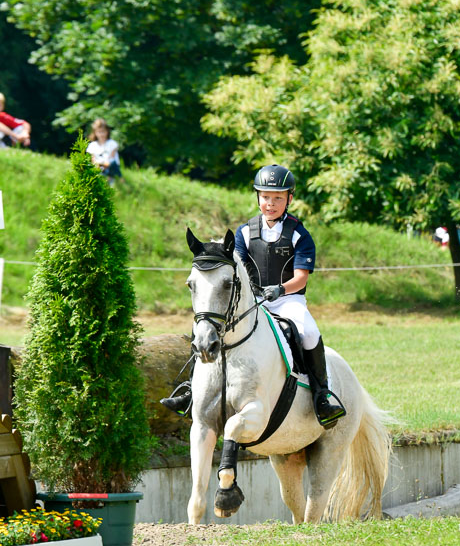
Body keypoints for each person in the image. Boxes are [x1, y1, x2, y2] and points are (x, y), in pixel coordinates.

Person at [162, 164, 346, 429]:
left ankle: (321, 396)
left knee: (309, 333)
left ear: (289, 199)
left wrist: (280, 290)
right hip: (251, 301)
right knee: (204, 329)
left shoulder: (298, 234)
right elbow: (236, 268)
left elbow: (301, 278)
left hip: (287, 301)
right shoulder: (245, 232)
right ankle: (190, 391)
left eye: (277, 198)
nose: (270, 203)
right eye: (265, 197)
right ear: (258, 197)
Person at [86, 118, 122, 184]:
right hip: (99, 168)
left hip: (111, 168)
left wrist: (102, 164)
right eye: (99, 132)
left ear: (107, 131)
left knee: (112, 164)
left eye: (103, 131)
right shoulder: (92, 145)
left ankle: (116, 179)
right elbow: (93, 160)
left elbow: (111, 160)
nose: (101, 134)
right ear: (95, 132)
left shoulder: (112, 143)